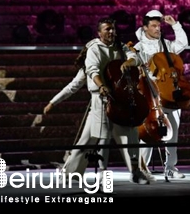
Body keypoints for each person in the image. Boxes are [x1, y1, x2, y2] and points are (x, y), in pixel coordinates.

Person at [64, 17, 152, 184]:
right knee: (91, 138)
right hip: (101, 99)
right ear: (99, 32)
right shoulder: (94, 49)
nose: (111, 32)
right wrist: (102, 86)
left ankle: (136, 171)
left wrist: (129, 61)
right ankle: (73, 172)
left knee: (132, 133)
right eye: (107, 29)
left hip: (122, 98)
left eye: (112, 29)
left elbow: (135, 57)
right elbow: (92, 70)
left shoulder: (121, 46)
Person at [122, 9, 189, 180]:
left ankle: (171, 167)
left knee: (172, 132)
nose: (157, 29)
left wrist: (176, 25)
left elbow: (182, 44)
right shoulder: (138, 47)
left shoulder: (165, 44)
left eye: (159, 26)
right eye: (153, 26)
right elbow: (132, 59)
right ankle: (143, 168)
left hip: (169, 92)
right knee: (148, 132)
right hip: (150, 93)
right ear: (144, 27)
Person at [43, 43, 109, 173]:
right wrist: (53, 102)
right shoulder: (87, 68)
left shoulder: (111, 64)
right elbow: (72, 87)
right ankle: (71, 172)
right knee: (88, 140)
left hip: (115, 106)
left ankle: (100, 171)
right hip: (99, 106)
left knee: (103, 139)